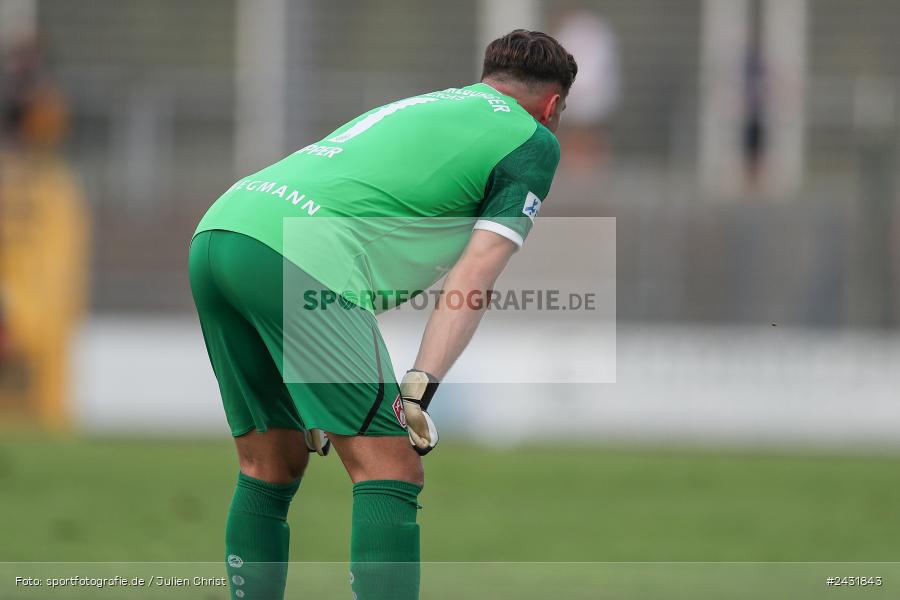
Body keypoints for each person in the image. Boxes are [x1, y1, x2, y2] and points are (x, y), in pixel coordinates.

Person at [189, 29, 576, 600]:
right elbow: (473, 278)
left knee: (269, 465)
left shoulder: (430, 104)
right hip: (299, 258)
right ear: (552, 105)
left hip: (221, 230)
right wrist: (420, 384)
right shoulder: (534, 140)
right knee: (391, 469)